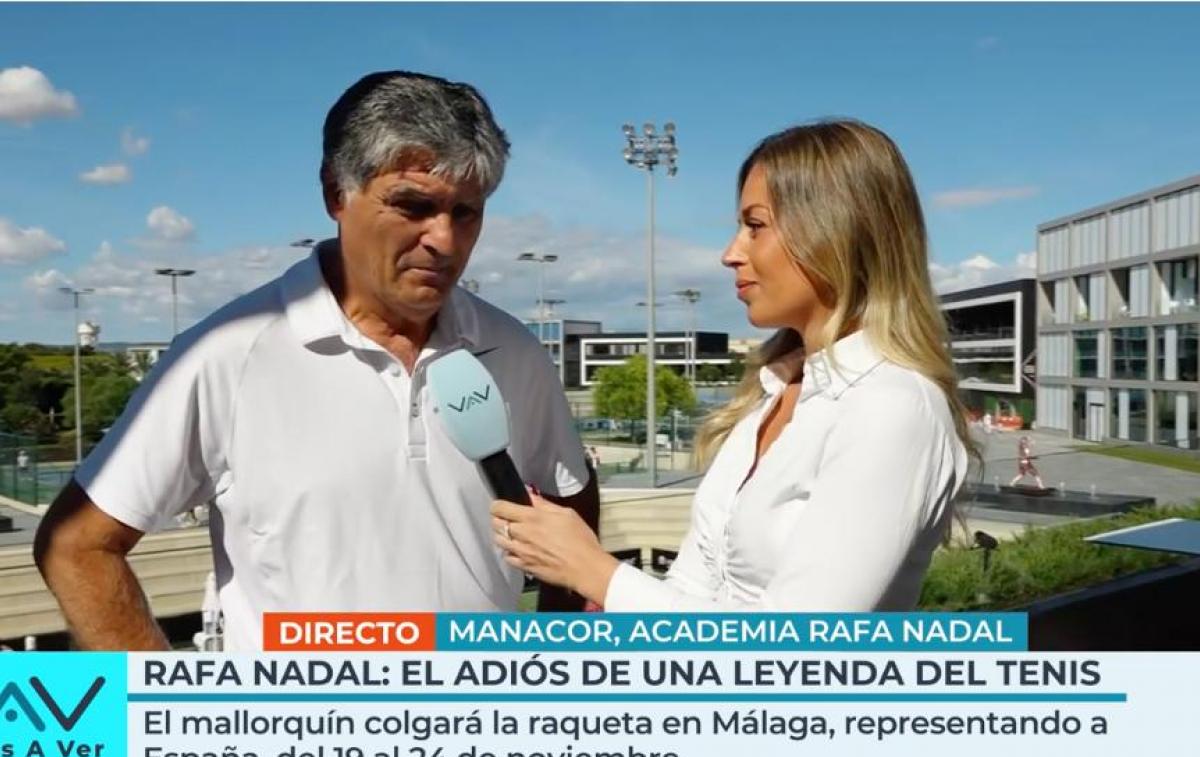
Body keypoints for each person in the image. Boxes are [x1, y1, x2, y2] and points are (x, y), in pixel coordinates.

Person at [33, 71, 598, 650]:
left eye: (466, 213)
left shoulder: (514, 350)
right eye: (413, 205)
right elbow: (77, 546)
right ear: (336, 193)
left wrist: (555, 662)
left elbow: (571, 493)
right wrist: (169, 699)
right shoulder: (226, 355)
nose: (444, 241)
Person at [492, 120, 975, 611]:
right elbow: (693, 592)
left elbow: (795, 648)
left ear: (837, 231)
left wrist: (597, 573)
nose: (730, 254)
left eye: (755, 226)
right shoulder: (770, 396)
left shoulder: (892, 407)